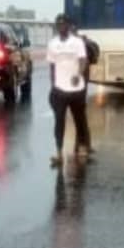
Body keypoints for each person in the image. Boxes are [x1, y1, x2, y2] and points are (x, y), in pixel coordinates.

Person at [47, 14, 90, 165]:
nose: (61, 26)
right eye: (58, 24)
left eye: (63, 24)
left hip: (76, 89)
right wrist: (53, 85)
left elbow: (83, 60)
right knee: (59, 121)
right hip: (59, 90)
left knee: (79, 119)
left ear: (68, 25)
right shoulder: (52, 44)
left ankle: (83, 147)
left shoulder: (77, 42)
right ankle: (59, 154)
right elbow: (52, 66)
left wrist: (79, 74)